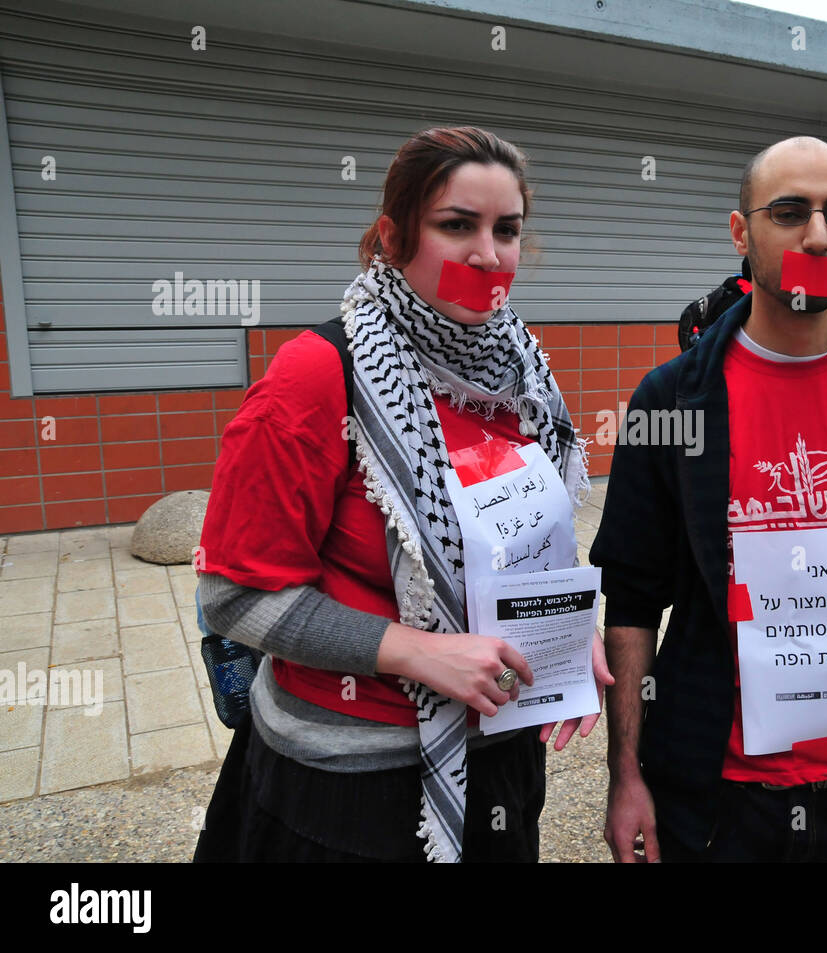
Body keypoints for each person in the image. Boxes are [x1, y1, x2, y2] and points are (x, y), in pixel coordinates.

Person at [192, 126, 610, 864]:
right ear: (393, 236)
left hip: (501, 753)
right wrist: (418, 652)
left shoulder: (519, 373)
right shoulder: (317, 373)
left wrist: (564, 628)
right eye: (457, 225)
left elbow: (517, 544)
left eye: (505, 229)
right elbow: (232, 596)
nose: (487, 254)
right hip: (349, 780)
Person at [592, 136, 827, 863]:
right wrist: (626, 773)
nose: (817, 235)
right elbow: (634, 601)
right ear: (742, 232)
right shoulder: (674, 400)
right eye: (789, 211)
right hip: (716, 798)